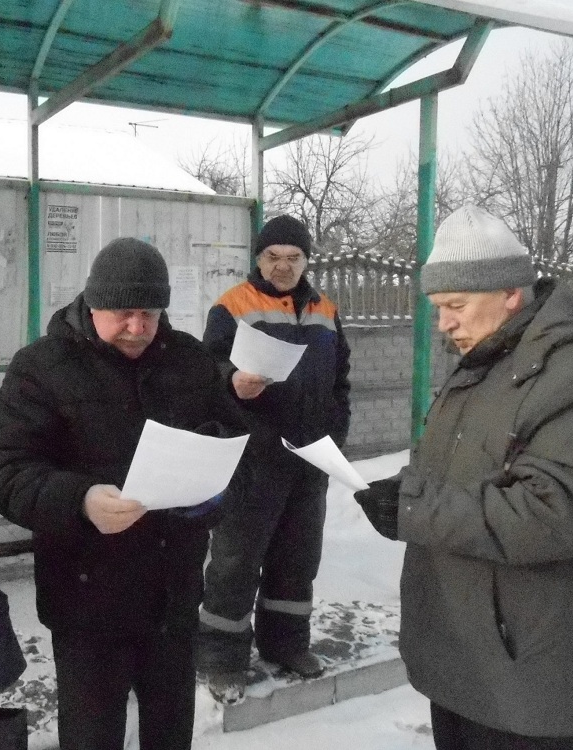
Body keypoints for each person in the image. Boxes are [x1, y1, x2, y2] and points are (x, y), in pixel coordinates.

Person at [353, 205, 573, 750]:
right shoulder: (482, 363)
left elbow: (558, 513)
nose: (444, 324)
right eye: (439, 308)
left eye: (456, 306)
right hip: (463, 658)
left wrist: (416, 509)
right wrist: (404, 492)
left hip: (525, 674)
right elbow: (461, 472)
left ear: (511, 293)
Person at [0, 238, 249, 750]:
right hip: (87, 601)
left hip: (173, 592)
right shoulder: (41, 367)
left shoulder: (188, 360)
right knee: (92, 735)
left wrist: (212, 488)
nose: (138, 327)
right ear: (92, 304)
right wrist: (78, 500)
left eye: (150, 313)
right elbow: (3, 469)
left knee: (170, 732)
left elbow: (229, 435)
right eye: (124, 313)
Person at [196, 214, 351, 698]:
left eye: (293, 258)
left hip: (310, 457)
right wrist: (230, 381)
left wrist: (335, 433)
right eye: (273, 257)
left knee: (298, 558)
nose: (283, 266)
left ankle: (286, 645)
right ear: (258, 259)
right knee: (236, 561)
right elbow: (207, 372)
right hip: (253, 459)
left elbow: (340, 379)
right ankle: (222, 659)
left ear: (306, 260)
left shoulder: (326, 309)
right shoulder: (232, 306)